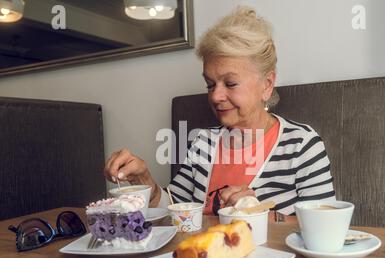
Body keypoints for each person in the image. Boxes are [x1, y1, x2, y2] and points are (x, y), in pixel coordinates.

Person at [104, 7, 335, 221]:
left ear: (267, 84)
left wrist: (256, 214)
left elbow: (327, 226)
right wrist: (144, 181)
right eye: (210, 84)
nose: (215, 96)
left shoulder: (302, 145)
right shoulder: (203, 141)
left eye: (231, 83)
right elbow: (175, 211)